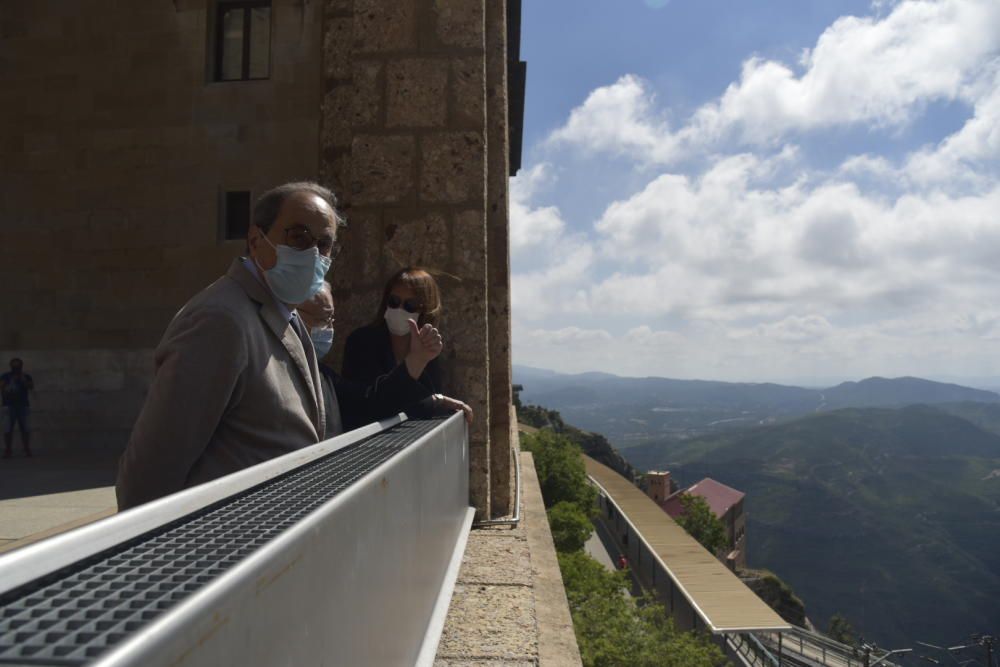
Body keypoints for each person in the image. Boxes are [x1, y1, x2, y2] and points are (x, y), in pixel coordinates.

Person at [116, 182, 341, 510]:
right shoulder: (221, 319)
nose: (314, 255)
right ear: (255, 240)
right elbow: (151, 469)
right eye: (298, 237)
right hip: (220, 547)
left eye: (324, 244)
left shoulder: (283, 312)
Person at [296, 283, 472, 433]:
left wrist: (432, 396)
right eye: (322, 318)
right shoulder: (363, 342)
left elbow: (371, 404)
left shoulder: (323, 376)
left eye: (331, 319)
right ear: (293, 314)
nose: (329, 328)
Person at [342, 268, 444, 395]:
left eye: (410, 305)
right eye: (394, 301)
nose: (400, 309)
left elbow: (429, 397)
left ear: (425, 310)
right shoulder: (361, 342)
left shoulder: (428, 349)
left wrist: (440, 402)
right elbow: (365, 399)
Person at [1, 358, 34, 458]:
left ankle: (26, 449)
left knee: (25, 429)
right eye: (14, 365)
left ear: (21, 366)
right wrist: (10, 382)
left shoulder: (26, 376)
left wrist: (23, 380)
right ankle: (8, 450)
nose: (16, 367)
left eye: (18, 365)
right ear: (11, 366)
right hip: (8, 406)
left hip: (23, 406)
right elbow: (1, 387)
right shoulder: (5, 376)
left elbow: (31, 387)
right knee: (8, 429)